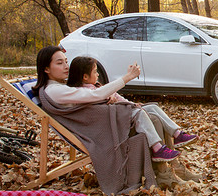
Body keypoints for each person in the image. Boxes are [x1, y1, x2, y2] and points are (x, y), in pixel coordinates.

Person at [31, 46, 173, 195]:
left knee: (152, 114)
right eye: (59, 63)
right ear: (46, 69)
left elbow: (89, 97)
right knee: (153, 120)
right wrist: (126, 78)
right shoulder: (55, 91)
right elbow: (94, 96)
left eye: (66, 62)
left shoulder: (60, 87)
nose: (66, 67)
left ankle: (169, 170)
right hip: (98, 133)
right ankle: (165, 173)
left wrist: (106, 98)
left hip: (99, 125)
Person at [66, 56, 198, 148]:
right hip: (114, 121)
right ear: (85, 76)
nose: (98, 74)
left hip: (120, 112)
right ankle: (157, 146)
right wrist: (109, 100)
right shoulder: (83, 91)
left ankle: (177, 133)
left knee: (152, 107)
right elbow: (95, 102)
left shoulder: (97, 87)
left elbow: (116, 96)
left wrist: (132, 103)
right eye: (95, 72)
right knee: (148, 116)